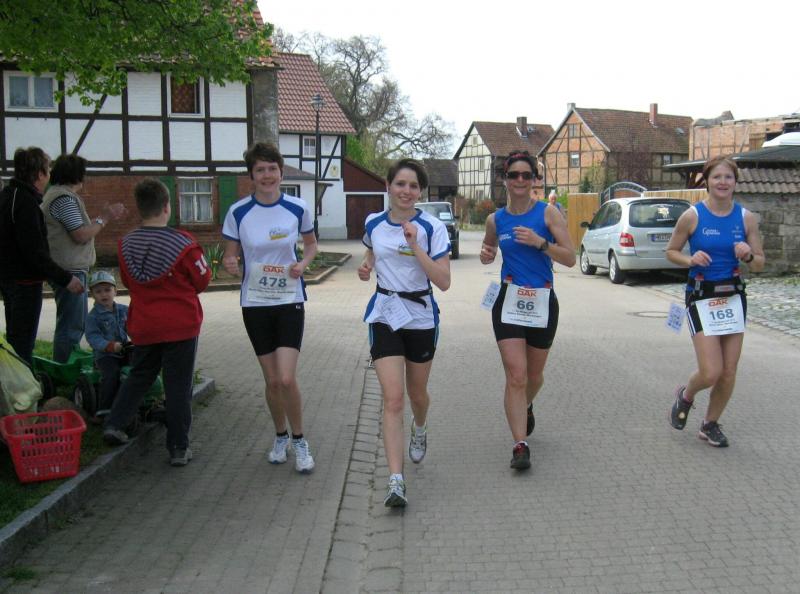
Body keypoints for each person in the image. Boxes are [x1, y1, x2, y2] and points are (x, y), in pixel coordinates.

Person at [358, 158, 451, 507]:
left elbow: (443, 281)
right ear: (388, 186)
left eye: (413, 186)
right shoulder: (374, 222)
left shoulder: (431, 227)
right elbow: (372, 249)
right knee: (393, 398)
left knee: (417, 394)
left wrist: (415, 246)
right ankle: (395, 480)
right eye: (400, 184)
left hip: (421, 316)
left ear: (420, 192)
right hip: (385, 313)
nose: (406, 191)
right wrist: (367, 265)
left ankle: (420, 427)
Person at [221, 142, 318, 474]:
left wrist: (303, 263)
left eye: (272, 168)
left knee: (287, 379)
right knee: (273, 381)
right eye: (260, 169)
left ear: (281, 172)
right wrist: (230, 264)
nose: (267, 175)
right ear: (251, 175)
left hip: (289, 299)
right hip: (255, 302)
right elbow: (230, 255)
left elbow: (311, 245)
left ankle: (300, 441)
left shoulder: (297, 207)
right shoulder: (238, 212)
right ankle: (280, 436)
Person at [103, 179, 210, 467]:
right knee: (178, 385)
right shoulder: (185, 243)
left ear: (140, 208)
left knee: (140, 374)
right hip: (181, 325)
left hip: (144, 324)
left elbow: (128, 281)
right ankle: (178, 447)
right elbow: (202, 280)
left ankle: (115, 423)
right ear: (166, 207)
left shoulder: (125, 244)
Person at [480, 151, 575, 471]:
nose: (520, 180)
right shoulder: (495, 220)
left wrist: (540, 243)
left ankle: (526, 404)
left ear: (535, 180)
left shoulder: (548, 214)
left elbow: (570, 258)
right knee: (516, 375)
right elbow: (489, 248)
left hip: (542, 301)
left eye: (526, 175)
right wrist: (486, 254)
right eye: (513, 175)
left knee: (534, 377)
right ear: (505, 179)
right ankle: (520, 445)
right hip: (508, 300)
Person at [666, 155, 764, 447]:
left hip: (732, 296)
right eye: (717, 177)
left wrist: (748, 255)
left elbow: (760, 262)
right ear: (707, 181)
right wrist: (690, 259)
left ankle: (710, 424)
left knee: (729, 371)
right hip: (701, 295)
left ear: (735, 182)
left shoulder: (746, 218)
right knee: (711, 371)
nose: (723, 182)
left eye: (728, 177)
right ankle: (686, 395)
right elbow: (671, 251)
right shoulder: (692, 216)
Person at [0, 147, 83, 364]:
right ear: (39, 174)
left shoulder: (9, 195)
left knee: (16, 338)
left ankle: (16, 377)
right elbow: (34, 251)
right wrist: (66, 278)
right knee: (22, 342)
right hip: (24, 282)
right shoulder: (25, 202)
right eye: (47, 170)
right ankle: (22, 381)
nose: (49, 176)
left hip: (9, 278)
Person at [42, 154, 125, 362]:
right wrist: (105, 217)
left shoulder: (55, 195)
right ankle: (65, 366)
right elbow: (79, 234)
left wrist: (100, 218)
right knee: (72, 325)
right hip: (69, 269)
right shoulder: (64, 199)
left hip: (65, 267)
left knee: (71, 322)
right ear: (77, 175)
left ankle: (66, 363)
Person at [85, 270, 129, 421]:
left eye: (107, 290)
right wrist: (109, 346)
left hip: (125, 350)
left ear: (115, 291)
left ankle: (147, 398)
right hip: (106, 355)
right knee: (111, 374)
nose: (104, 294)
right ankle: (104, 410)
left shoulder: (124, 310)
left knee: (142, 366)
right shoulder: (93, 317)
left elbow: (134, 327)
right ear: (92, 294)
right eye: (98, 291)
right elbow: (93, 337)